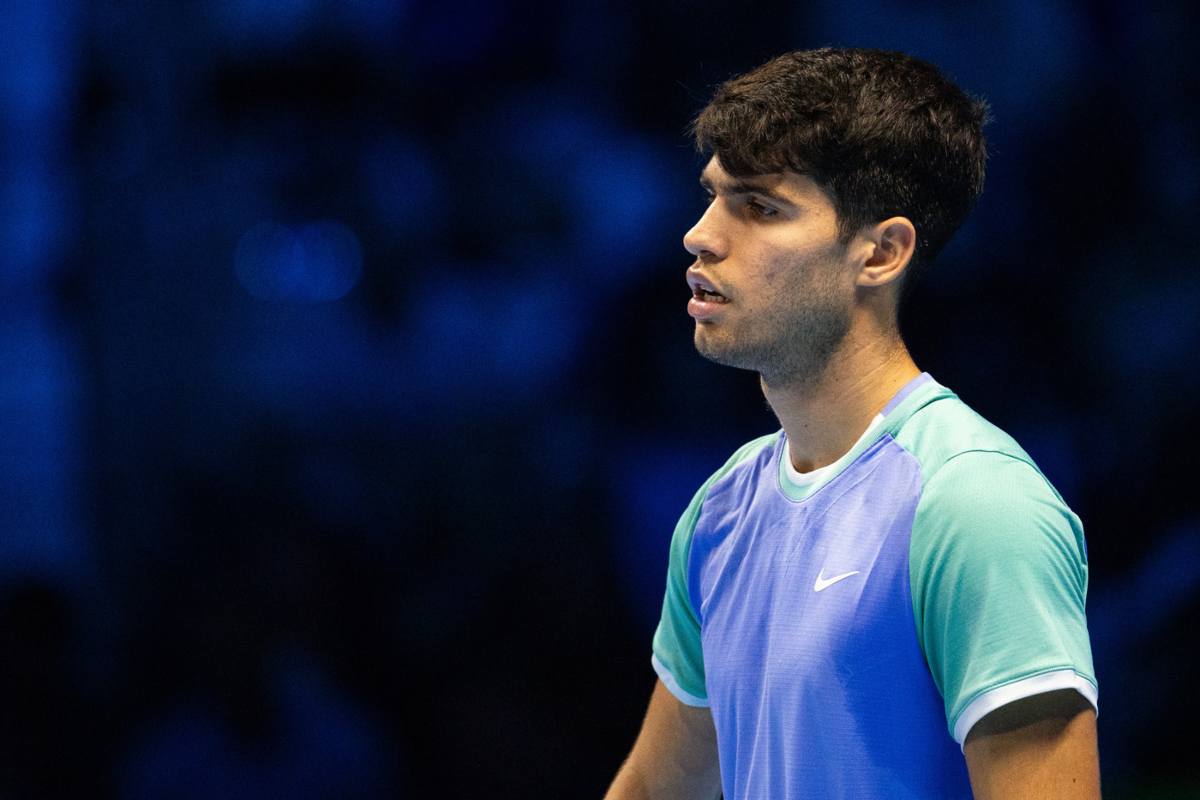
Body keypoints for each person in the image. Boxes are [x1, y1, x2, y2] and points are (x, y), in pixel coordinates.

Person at [605, 48, 1099, 799]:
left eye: (760, 206)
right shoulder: (719, 512)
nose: (701, 236)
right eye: (710, 196)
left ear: (881, 252)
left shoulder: (977, 508)